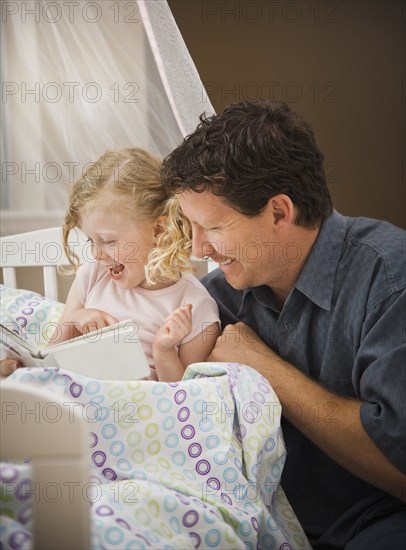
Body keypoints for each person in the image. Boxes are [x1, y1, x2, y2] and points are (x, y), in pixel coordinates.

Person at [161, 100, 406, 548]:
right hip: (261, 522)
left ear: (279, 212)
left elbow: (400, 462)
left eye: (211, 227)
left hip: (382, 519)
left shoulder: (390, 279)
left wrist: (267, 369)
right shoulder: (217, 297)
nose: (199, 249)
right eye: (190, 227)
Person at [1, 148, 220, 382]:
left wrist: (164, 352)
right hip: (75, 402)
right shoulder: (92, 276)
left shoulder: (196, 308)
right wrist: (76, 320)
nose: (96, 254)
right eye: (90, 241)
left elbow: (183, 400)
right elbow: (49, 358)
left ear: (158, 230)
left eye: (107, 241)